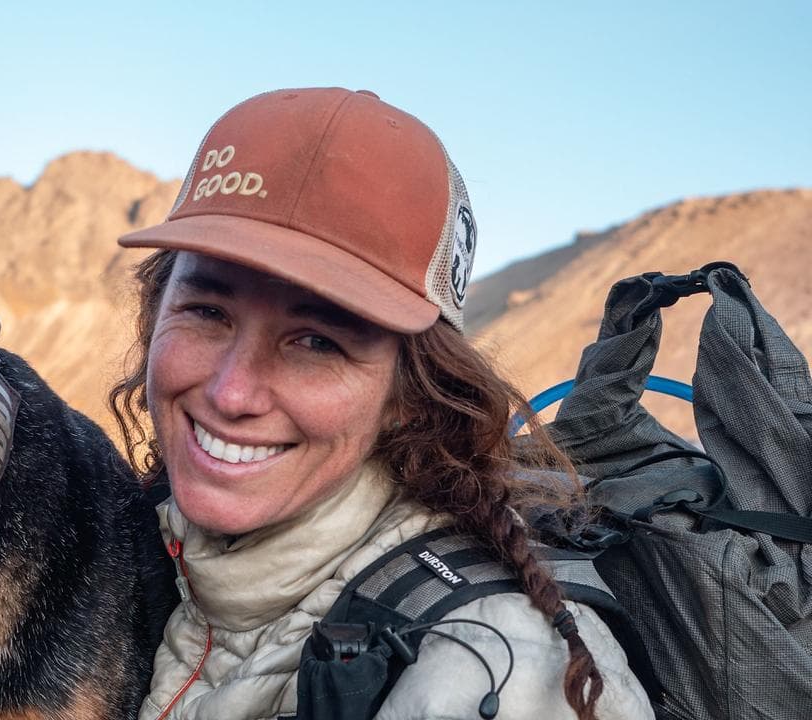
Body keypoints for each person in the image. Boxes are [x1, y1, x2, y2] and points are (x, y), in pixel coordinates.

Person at [110, 88, 654, 720]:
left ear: (410, 393)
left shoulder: (493, 669)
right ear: (155, 316)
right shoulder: (127, 550)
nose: (232, 392)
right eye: (207, 311)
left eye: (316, 342)